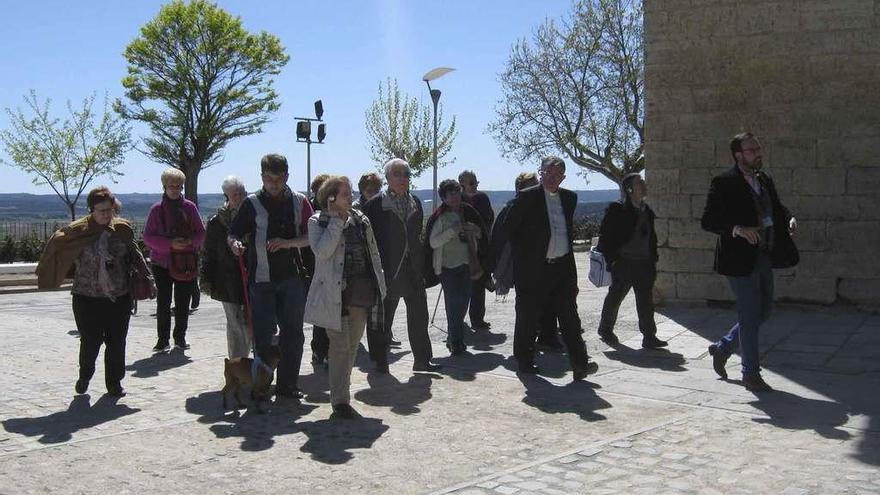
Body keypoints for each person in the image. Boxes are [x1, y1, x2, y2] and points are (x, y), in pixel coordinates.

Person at [701, 132, 798, 392]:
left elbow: (776, 209)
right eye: (752, 149)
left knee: (763, 311)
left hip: (764, 255)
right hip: (738, 261)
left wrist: (787, 218)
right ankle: (750, 373)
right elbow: (708, 220)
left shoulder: (764, 180)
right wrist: (737, 229)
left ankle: (723, 348)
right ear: (738, 155)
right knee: (749, 314)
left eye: (758, 147)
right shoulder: (723, 182)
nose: (758, 152)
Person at [37, 186, 150, 397]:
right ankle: (85, 375)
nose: (106, 214)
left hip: (119, 295)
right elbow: (57, 247)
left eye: (109, 209)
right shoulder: (78, 231)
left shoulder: (122, 229)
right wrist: (49, 273)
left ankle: (114, 383)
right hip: (86, 297)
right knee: (91, 341)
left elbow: (135, 254)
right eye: (101, 210)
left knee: (117, 341)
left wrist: (148, 279)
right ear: (91, 210)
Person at [503, 156, 597, 379]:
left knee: (570, 318)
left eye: (556, 175)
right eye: (546, 173)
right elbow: (508, 229)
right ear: (541, 172)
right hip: (534, 270)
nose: (550, 178)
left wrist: (572, 277)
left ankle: (580, 364)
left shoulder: (569, 198)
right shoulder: (527, 197)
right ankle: (525, 362)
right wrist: (526, 254)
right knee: (527, 317)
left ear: (563, 177)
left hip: (561, 268)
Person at [228, 154, 314, 399]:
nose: (273, 183)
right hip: (261, 280)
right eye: (268, 178)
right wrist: (235, 245)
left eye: (278, 178)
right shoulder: (251, 203)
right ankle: (262, 384)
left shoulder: (300, 201)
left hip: (293, 278)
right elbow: (233, 233)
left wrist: (287, 243)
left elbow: (311, 237)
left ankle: (288, 385)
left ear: (286, 176)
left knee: (293, 333)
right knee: (263, 335)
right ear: (262, 177)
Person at [304, 176, 386, 419]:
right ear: (330, 198)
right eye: (344, 194)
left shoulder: (361, 220)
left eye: (350, 193)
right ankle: (340, 401)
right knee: (339, 347)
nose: (350, 197)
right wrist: (336, 222)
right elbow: (323, 251)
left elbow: (373, 253)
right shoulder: (317, 221)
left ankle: (342, 392)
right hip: (334, 295)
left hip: (360, 293)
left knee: (351, 347)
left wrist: (380, 283)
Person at [363, 158, 441, 372]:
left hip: (413, 270)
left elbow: (418, 238)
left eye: (406, 174)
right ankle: (380, 362)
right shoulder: (375, 205)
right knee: (381, 320)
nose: (402, 178)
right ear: (387, 178)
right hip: (386, 271)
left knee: (419, 316)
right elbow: (366, 240)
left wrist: (423, 267)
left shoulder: (415, 202)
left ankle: (423, 361)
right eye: (396, 174)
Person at [595, 173, 668, 349]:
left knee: (645, 300)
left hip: (644, 263)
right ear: (629, 189)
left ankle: (649, 336)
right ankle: (605, 329)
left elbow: (651, 237)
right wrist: (611, 260)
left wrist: (653, 258)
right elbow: (605, 237)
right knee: (615, 297)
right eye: (639, 182)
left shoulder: (647, 210)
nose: (644, 184)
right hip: (624, 262)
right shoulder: (617, 209)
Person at [143, 168, 206, 352]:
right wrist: (170, 244)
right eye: (172, 186)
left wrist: (189, 243)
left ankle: (180, 337)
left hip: (185, 261)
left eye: (179, 186)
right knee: (163, 302)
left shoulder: (189, 207)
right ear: (164, 186)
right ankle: (162, 339)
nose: (176, 190)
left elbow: (200, 233)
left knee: (182, 301)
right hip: (162, 262)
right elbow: (148, 237)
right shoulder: (156, 210)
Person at [425, 179, 489, 355]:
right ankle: (456, 341)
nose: (454, 197)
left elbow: (481, 234)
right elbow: (432, 242)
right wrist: (453, 231)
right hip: (447, 268)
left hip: (468, 265)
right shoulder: (439, 216)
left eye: (457, 193)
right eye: (450, 194)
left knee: (463, 304)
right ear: (443, 198)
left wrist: (473, 230)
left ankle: (454, 338)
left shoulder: (468, 212)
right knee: (453, 304)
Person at [201, 176, 250, 360]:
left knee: (250, 322)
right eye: (235, 194)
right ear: (227, 196)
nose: (240, 197)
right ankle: (237, 363)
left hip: (251, 276)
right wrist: (206, 279)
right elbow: (208, 252)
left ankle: (251, 364)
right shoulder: (216, 222)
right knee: (234, 322)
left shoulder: (254, 217)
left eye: (242, 193)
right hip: (226, 278)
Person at [459, 170, 495, 331]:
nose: (474, 185)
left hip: (480, 246)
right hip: (460, 248)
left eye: (475, 182)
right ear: (462, 184)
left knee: (478, 284)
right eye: (471, 182)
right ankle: (458, 318)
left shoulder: (482, 198)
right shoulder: (456, 199)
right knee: (460, 286)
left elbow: (488, 219)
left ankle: (477, 319)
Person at [305, 174, 331, 366]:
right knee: (320, 312)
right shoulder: (311, 210)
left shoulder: (334, 209)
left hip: (331, 268)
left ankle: (326, 350)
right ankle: (318, 350)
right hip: (313, 266)